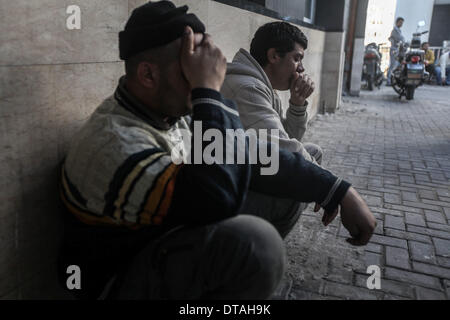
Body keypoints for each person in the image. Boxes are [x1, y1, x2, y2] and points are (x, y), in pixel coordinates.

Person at [57, 0, 376, 300]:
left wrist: (336, 189)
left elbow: (250, 152)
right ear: (148, 75)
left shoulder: (163, 112)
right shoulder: (115, 143)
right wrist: (207, 92)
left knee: (292, 180)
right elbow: (214, 201)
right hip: (120, 278)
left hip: (166, 233)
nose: (203, 83)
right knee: (256, 245)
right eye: (192, 73)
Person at [221, 22, 322, 238]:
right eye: (297, 58)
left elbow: (286, 141)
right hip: (224, 195)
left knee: (312, 153)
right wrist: (335, 189)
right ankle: (253, 255)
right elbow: (284, 150)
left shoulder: (263, 85)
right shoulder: (248, 88)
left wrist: (297, 103)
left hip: (246, 173)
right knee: (294, 194)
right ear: (274, 55)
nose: (301, 69)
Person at [387, 17, 405, 86]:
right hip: (394, 49)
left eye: (402, 23)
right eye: (400, 22)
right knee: (393, 65)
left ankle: (392, 79)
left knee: (396, 65)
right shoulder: (395, 30)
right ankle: (389, 80)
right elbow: (400, 38)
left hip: (397, 49)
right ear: (397, 22)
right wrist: (403, 41)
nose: (401, 24)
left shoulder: (399, 30)